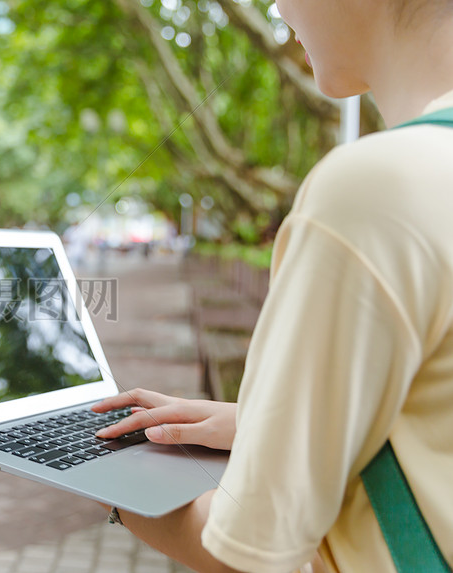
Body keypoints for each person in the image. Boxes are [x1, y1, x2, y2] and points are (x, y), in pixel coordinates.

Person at [92, 1, 453, 571]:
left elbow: (247, 554)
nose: (279, 6)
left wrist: (112, 482)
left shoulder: (374, 189)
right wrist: (259, 422)